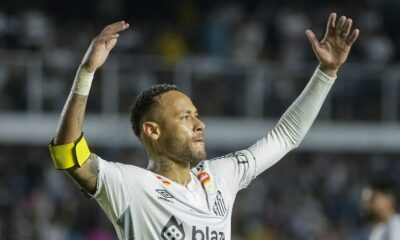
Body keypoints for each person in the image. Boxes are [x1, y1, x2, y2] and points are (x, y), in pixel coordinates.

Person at [49, 13, 359, 239]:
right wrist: (86, 73)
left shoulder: (221, 176)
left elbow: (287, 135)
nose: (200, 124)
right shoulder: (131, 186)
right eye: (185, 117)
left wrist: (326, 72)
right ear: (153, 131)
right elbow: (68, 154)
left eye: (196, 114)